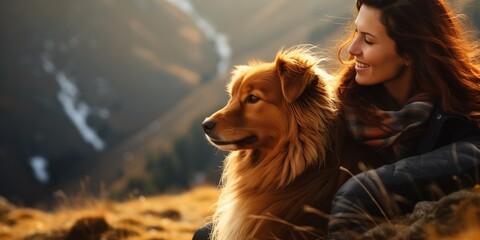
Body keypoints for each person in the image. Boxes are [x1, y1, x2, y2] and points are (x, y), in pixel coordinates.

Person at [328, 0, 480, 238]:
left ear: (409, 53)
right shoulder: (337, 114)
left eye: (368, 40)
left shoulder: (457, 112)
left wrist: (365, 190)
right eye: (356, 33)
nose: (352, 49)